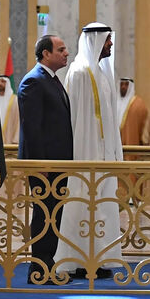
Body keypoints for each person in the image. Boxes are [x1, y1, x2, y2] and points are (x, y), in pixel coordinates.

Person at [52, 25, 121, 281]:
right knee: (82, 206)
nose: (111, 45)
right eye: (108, 41)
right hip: (84, 152)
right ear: (96, 42)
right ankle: (79, 260)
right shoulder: (80, 72)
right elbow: (76, 120)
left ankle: (99, 257)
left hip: (102, 154)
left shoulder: (103, 73)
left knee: (102, 207)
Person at [16, 34, 75, 284]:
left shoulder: (51, 80)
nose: (66, 53)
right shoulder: (33, 82)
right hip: (45, 166)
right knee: (44, 215)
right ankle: (38, 270)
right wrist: (40, 166)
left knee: (54, 215)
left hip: (57, 164)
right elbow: (32, 129)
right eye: (60, 49)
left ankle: (47, 266)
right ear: (45, 54)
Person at [119, 78, 150, 149]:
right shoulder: (114, 104)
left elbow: (144, 129)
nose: (123, 87)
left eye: (126, 84)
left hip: (131, 148)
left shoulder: (138, 104)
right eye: (122, 84)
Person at [0, 72, 19, 145]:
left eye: (3, 81)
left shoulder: (15, 100)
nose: (0, 84)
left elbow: (18, 121)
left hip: (10, 140)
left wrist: (16, 139)